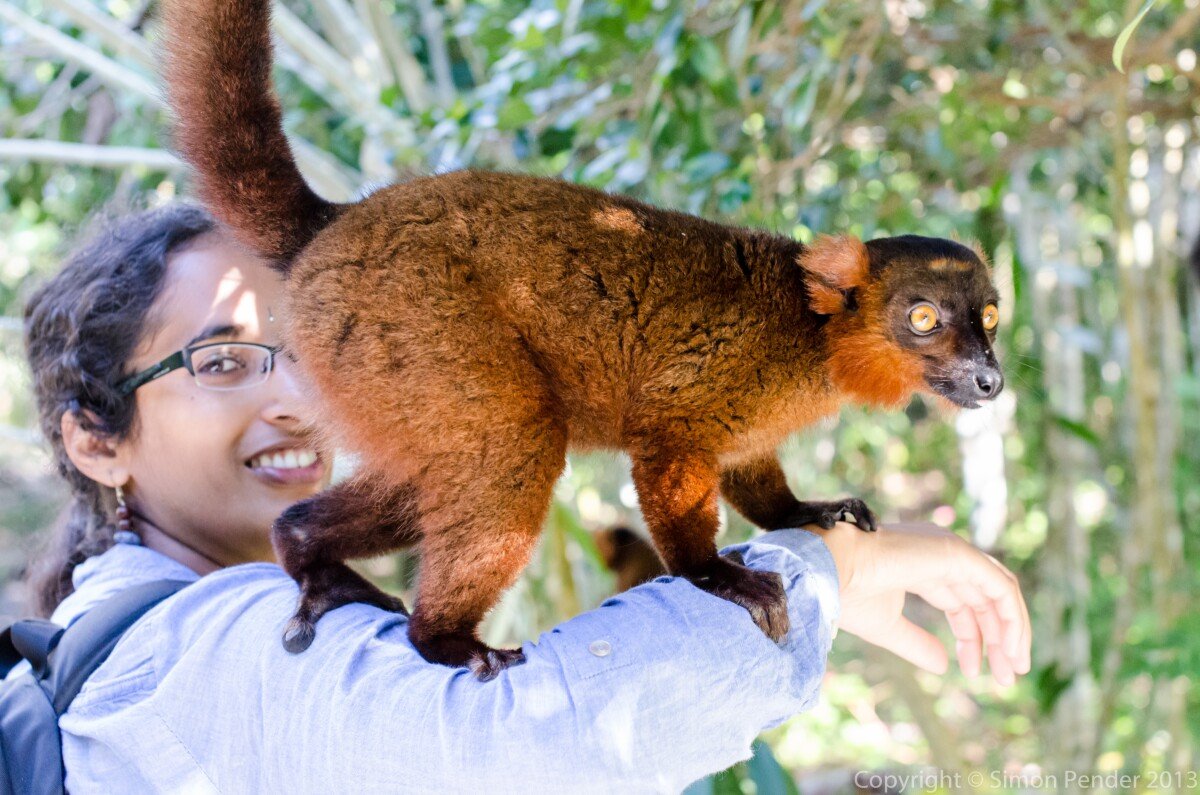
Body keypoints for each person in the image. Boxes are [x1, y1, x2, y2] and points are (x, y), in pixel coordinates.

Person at [19, 203, 1031, 793]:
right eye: (225, 360)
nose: (301, 397)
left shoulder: (187, 641)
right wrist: (824, 571)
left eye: (312, 348)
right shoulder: (206, 650)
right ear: (96, 442)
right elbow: (527, 748)